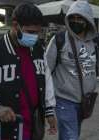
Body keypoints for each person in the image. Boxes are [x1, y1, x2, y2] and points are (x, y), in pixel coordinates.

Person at [0, 2, 57, 140]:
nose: (35, 37)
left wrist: (49, 111)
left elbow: (46, 79)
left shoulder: (38, 49)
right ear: (15, 25)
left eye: (37, 32)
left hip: (34, 126)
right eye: (31, 32)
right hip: (7, 128)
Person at [45, 1, 98, 140]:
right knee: (71, 136)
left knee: (72, 134)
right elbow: (46, 70)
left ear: (87, 20)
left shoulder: (95, 42)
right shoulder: (59, 39)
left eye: (80, 18)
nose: (76, 21)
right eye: (73, 17)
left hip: (85, 101)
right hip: (64, 100)